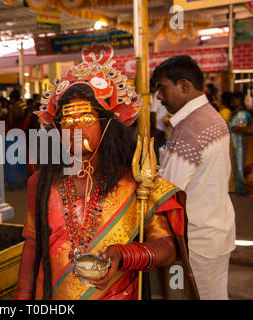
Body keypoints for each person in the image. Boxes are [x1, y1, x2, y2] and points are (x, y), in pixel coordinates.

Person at [15, 43, 199, 300]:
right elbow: (32, 245)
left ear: (108, 127)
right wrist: (21, 299)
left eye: (87, 120)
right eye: (67, 122)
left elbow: (168, 248)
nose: (75, 129)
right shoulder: (41, 182)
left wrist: (124, 255)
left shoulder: (136, 182)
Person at [153, 55, 236, 300]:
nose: (158, 96)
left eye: (162, 88)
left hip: (198, 237)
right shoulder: (211, 115)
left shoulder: (189, 128)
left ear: (185, 86)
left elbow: (168, 190)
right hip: (218, 229)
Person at [229, 92, 253, 194]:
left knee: (241, 164)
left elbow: (250, 129)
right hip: (237, 144)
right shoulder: (238, 112)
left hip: (242, 144)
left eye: (235, 99)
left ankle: (243, 187)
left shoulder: (243, 114)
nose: (233, 102)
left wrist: (239, 129)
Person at [150, 79, 169, 159]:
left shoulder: (157, 94)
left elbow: (153, 113)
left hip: (159, 128)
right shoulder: (164, 93)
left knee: (157, 152)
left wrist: (153, 129)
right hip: (163, 128)